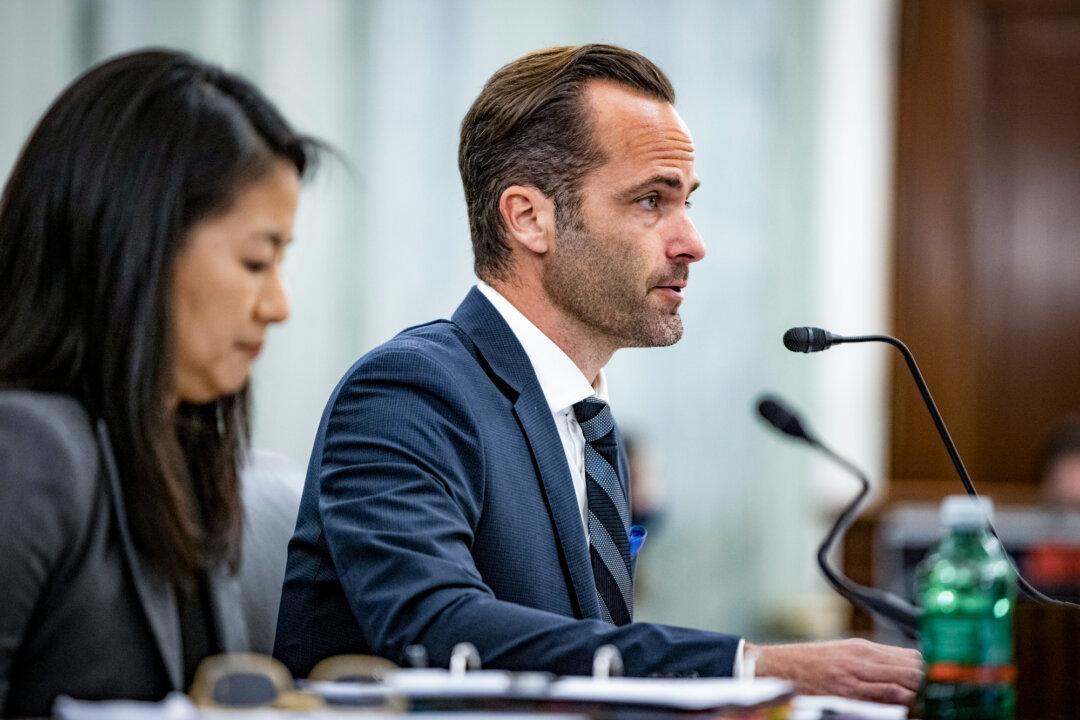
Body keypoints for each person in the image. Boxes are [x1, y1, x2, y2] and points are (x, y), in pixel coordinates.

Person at [275, 44, 921, 704]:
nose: (692, 241)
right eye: (650, 201)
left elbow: (584, 662)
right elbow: (436, 631)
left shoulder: (583, 418)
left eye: (685, 200)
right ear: (529, 218)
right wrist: (750, 667)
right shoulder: (410, 393)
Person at [0, 49, 318, 717]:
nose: (279, 305)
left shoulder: (186, 453)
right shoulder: (26, 450)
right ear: (135, 247)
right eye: (256, 260)